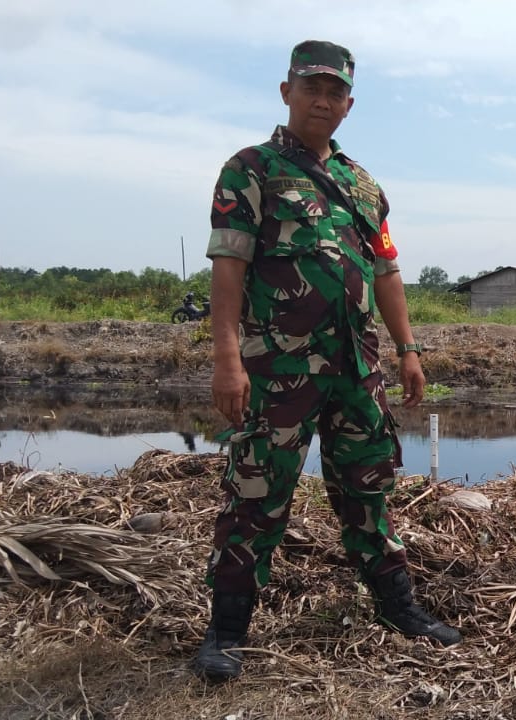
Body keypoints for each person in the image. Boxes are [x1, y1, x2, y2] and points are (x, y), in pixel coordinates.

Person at [193, 40, 460, 682]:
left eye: (335, 91)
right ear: (286, 93)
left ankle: (399, 609)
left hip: (357, 371)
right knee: (256, 493)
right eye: (312, 86)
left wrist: (408, 350)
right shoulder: (249, 169)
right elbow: (228, 269)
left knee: (370, 489)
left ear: (349, 104)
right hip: (277, 371)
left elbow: (388, 271)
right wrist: (226, 358)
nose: (323, 99)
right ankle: (225, 633)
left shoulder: (363, 184)